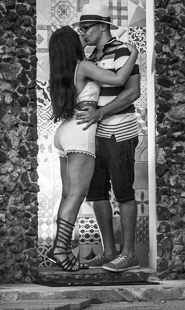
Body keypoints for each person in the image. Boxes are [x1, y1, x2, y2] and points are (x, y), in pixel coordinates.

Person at [47, 25, 139, 271]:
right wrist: (133, 55)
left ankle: (59, 246)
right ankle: (61, 250)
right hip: (80, 133)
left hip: (64, 133)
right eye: (77, 33)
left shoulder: (62, 70)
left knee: (68, 195)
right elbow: (119, 79)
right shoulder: (84, 66)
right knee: (76, 195)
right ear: (71, 44)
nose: (82, 34)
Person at [73, 0, 142, 273]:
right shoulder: (89, 59)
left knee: (123, 192)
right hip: (94, 135)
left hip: (119, 131)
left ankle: (129, 254)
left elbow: (132, 92)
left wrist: (99, 114)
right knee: (98, 193)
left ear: (102, 26)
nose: (83, 32)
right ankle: (110, 250)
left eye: (86, 27)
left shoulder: (123, 51)